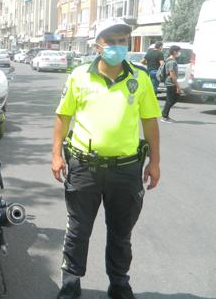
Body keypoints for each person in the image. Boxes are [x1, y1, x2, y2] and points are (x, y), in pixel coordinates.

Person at [51, 19, 161, 299]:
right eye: (110, 41)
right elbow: (63, 116)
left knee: (121, 233)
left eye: (122, 40)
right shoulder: (79, 76)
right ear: (97, 45)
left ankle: (119, 283)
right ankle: (71, 282)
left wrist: (155, 162)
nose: (117, 46)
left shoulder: (141, 78)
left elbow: (150, 123)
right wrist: (56, 155)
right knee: (78, 230)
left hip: (126, 169)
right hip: (84, 167)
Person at [160, 45, 181, 123]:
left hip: (169, 82)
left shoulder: (168, 60)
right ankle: (164, 115)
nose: (179, 53)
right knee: (171, 99)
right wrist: (177, 86)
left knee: (175, 97)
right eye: (178, 51)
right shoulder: (171, 62)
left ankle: (164, 112)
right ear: (174, 52)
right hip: (170, 83)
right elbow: (172, 74)